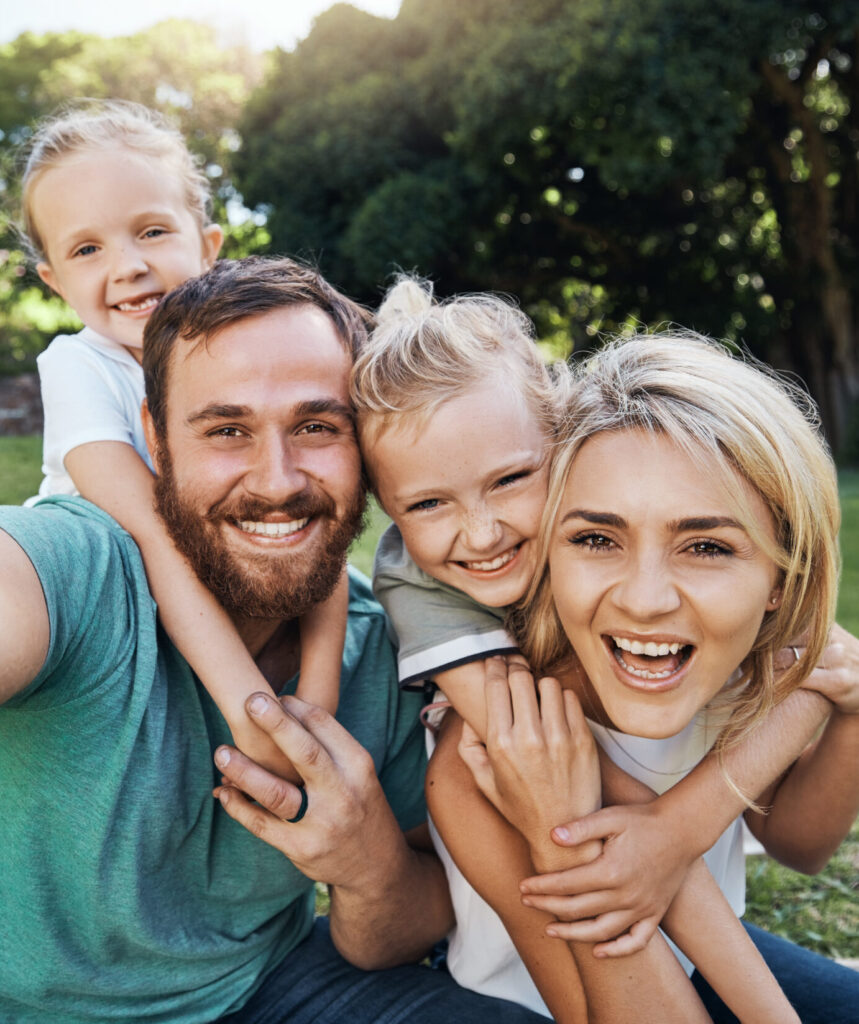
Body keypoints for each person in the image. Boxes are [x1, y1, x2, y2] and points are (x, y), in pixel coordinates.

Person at [0, 256, 547, 1023]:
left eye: (317, 426)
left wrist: (365, 864)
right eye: (227, 429)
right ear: (153, 436)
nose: (278, 479)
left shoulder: (386, 648)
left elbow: (412, 921)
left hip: (269, 990)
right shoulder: (77, 571)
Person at [350, 281, 857, 1018]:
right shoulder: (480, 764)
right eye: (597, 538)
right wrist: (593, 834)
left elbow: (800, 847)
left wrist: (837, 704)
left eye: (706, 545)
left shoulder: (730, 660)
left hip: (697, 967)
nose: (645, 598)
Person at [19, 99, 344, 780]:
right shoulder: (80, 368)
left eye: (153, 231)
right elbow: (154, 535)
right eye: (86, 249)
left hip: (219, 589)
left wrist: (318, 698)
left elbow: (323, 519)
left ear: (209, 245)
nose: (128, 265)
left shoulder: (249, 356)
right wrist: (252, 712)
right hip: (112, 609)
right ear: (52, 278)